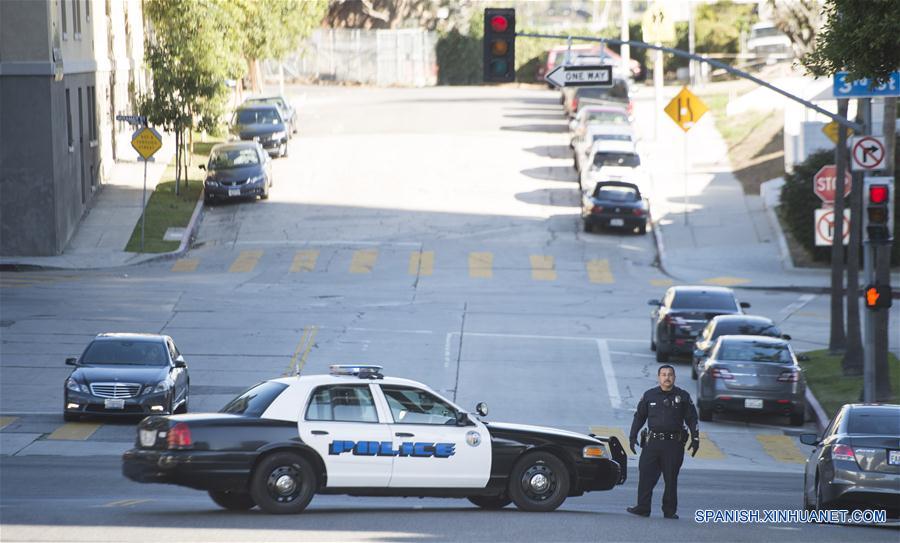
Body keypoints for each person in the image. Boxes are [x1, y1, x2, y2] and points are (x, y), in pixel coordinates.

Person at [626, 364, 699, 519]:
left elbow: (692, 418)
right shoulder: (649, 395)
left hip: (673, 444)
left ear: (674, 377)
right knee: (645, 474)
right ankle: (643, 507)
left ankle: (669, 511)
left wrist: (696, 437)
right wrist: (632, 436)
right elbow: (639, 417)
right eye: (664, 374)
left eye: (670, 374)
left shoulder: (683, 396)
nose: (667, 377)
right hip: (652, 443)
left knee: (671, 478)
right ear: (659, 377)